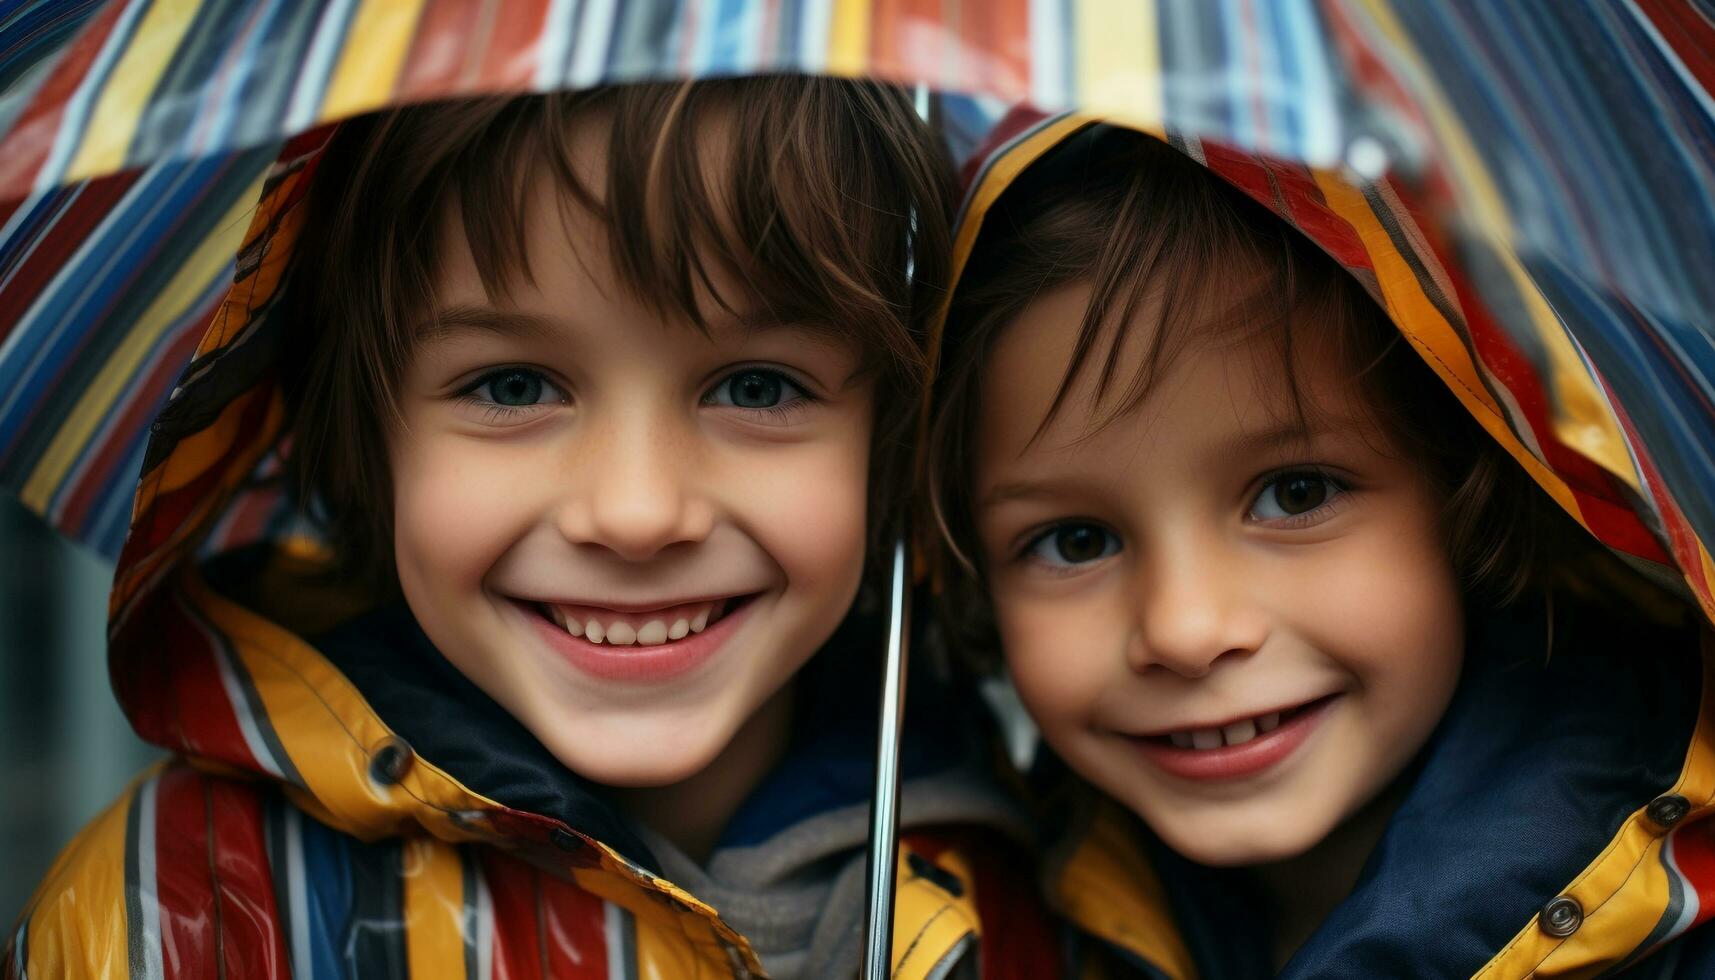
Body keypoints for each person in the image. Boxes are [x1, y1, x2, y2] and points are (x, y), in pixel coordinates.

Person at [6, 78, 1052, 978]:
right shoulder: (178, 915)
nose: (636, 514)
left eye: (755, 384)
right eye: (513, 385)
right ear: (367, 434)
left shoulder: (1036, 894)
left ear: (894, 435)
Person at [928, 118, 1715, 977]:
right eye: (1074, 541)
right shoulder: (982, 922)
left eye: (1294, 494)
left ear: (1465, 491)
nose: (1187, 631)